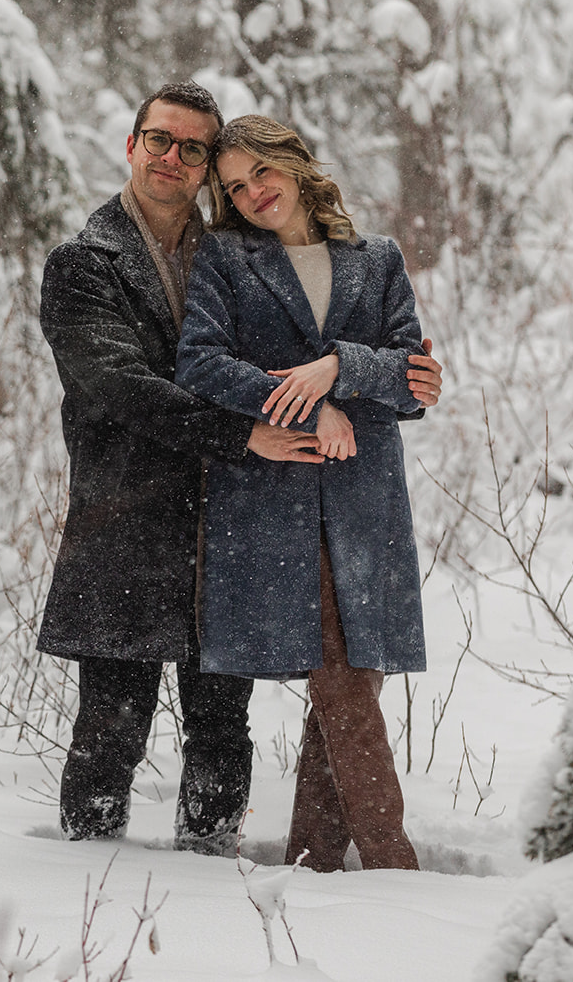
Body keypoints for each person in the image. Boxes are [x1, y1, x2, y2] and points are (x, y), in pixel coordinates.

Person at [37, 87, 441, 855]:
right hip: (128, 519)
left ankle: (214, 867)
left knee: (222, 720)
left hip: (227, 518)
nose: (173, 158)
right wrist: (247, 431)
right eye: (161, 140)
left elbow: (364, 355)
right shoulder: (85, 264)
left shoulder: (231, 252)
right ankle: (83, 882)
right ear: (132, 144)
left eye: (193, 149)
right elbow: (121, 389)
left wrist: (388, 376)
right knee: (113, 720)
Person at [174, 114, 431, 871]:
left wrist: (338, 369)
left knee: (347, 686)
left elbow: (411, 380)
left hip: (367, 506)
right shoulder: (224, 258)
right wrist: (308, 401)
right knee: (344, 684)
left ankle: (312, 861)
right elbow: (200, 363)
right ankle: (393, 863)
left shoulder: (376, 260)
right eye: (235, 187)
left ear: (295, 165)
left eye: (263, 173)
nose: (253, 193)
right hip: (273, 505)